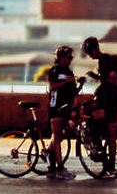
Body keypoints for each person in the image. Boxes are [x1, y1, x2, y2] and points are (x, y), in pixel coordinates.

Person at [81, 36, 117, 178]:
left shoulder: (104, 61)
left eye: (90, 53)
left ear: (94, 50)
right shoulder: (107, 60)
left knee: (86, 111)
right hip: (114, 97)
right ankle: (110, 166)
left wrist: (97, 77)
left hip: (109, 98)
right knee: (111, 134)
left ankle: (95, 143)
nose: (90, 56)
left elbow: (114, 79)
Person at [45, 45, 77, 181]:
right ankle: (59, 168)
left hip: (66, 108)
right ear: (62, 58)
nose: (70, 60)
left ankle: (51, 166)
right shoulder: (54, 70)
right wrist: (66, 81)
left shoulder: (69, 72)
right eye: (69, 57)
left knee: (59, 136)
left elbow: (73, 92)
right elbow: (52, 86)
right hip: (56, 107)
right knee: (57, 137)